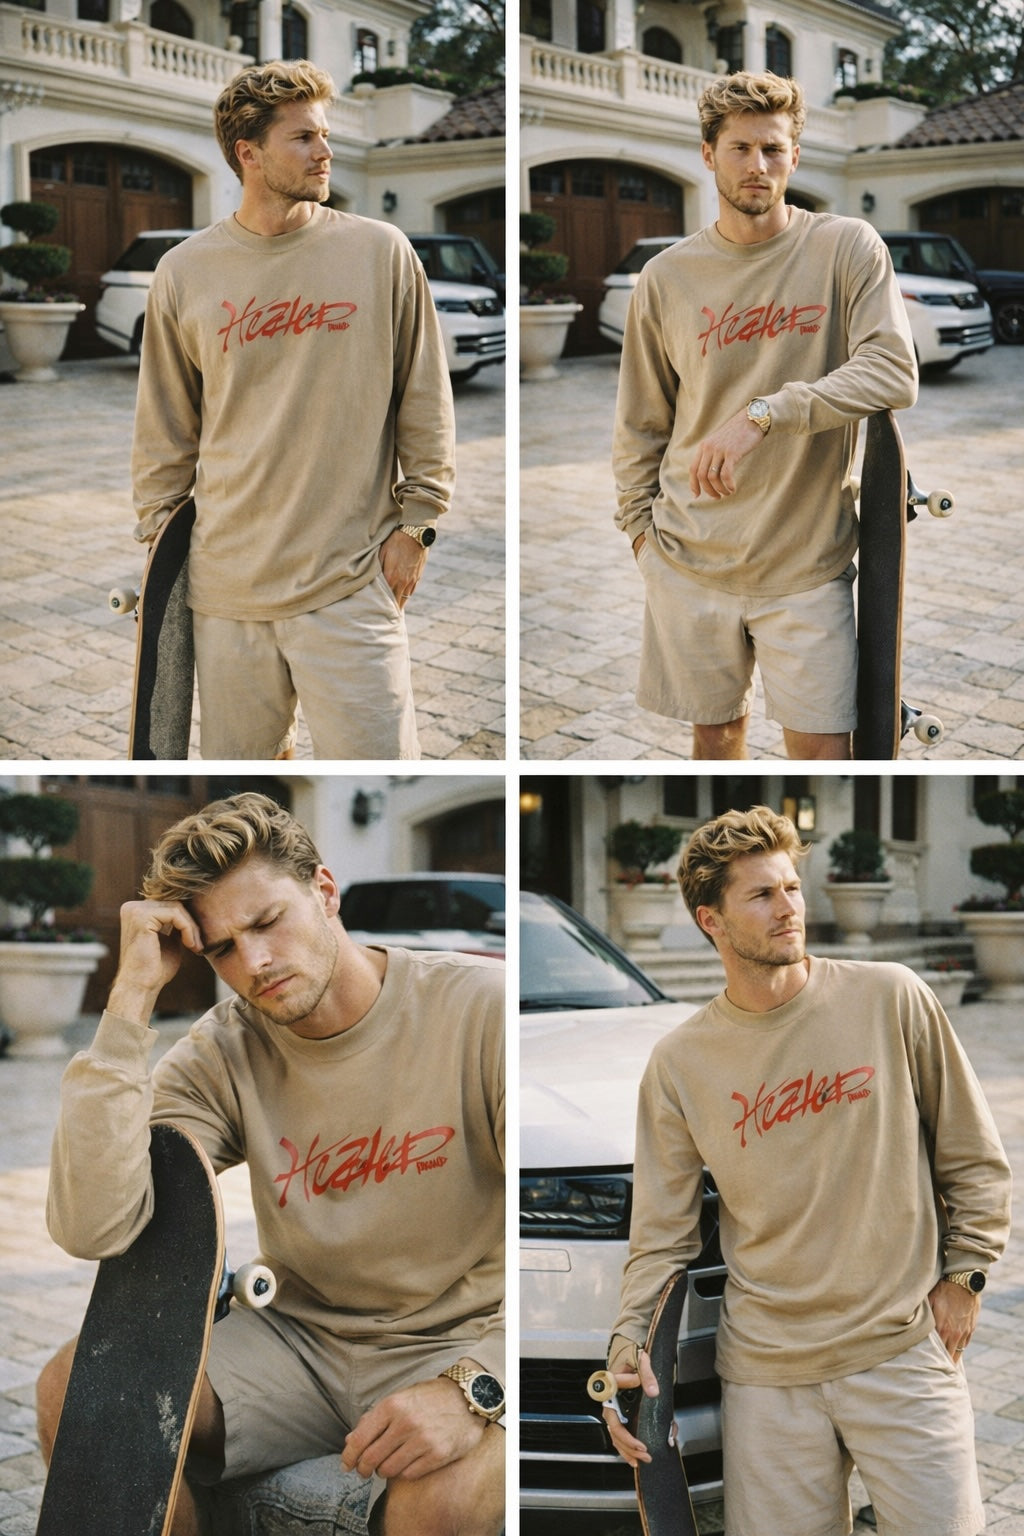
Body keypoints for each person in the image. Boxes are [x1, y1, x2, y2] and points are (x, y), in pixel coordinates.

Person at [36, 792, 504, 1536]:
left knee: (445, 1503)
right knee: (77, 1389)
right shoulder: (225, 1050)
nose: (252, 963)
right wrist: (130, 1002)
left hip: (459, 1333)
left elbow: (561, 1240)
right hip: (300, 1345)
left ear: (324, 891)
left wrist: (477, 1385)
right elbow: (94, 1225)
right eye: (221, 947)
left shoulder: (478, 1011)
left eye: (266, 923)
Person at [601, 804, 1011, 1536]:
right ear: (711, 920)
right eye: (761, 895)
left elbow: (973, 1156)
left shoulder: (890, 996)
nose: (789, 908)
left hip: (901, 1351)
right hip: (767, 1376)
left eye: (791, 887)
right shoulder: (680, 1063)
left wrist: (966, 1275)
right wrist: (627, 1341)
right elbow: (661, 1234)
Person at [132, 60, 456, 760]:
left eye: (325, 134)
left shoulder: (381, 251)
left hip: (349, 580)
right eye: (303, 137)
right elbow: (164, 424)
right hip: (227, 592)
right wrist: (161, 543)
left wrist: (418, 526)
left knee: (382, 766)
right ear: (248, 154)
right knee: (248, 785)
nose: (324, 151)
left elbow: (425, 399)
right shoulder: (186, 271)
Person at [613, 72, 919, 761]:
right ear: (708, 154)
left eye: (774, 150)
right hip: (689, 561)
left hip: (806, 566)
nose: (758, 166)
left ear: (796, 157)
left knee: (823, 752)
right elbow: (641, 423)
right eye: (742, 148)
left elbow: (894, 371)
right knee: (715, 738)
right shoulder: (666, 278)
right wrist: (641, 538)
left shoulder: (846, 248)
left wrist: (765, 413)